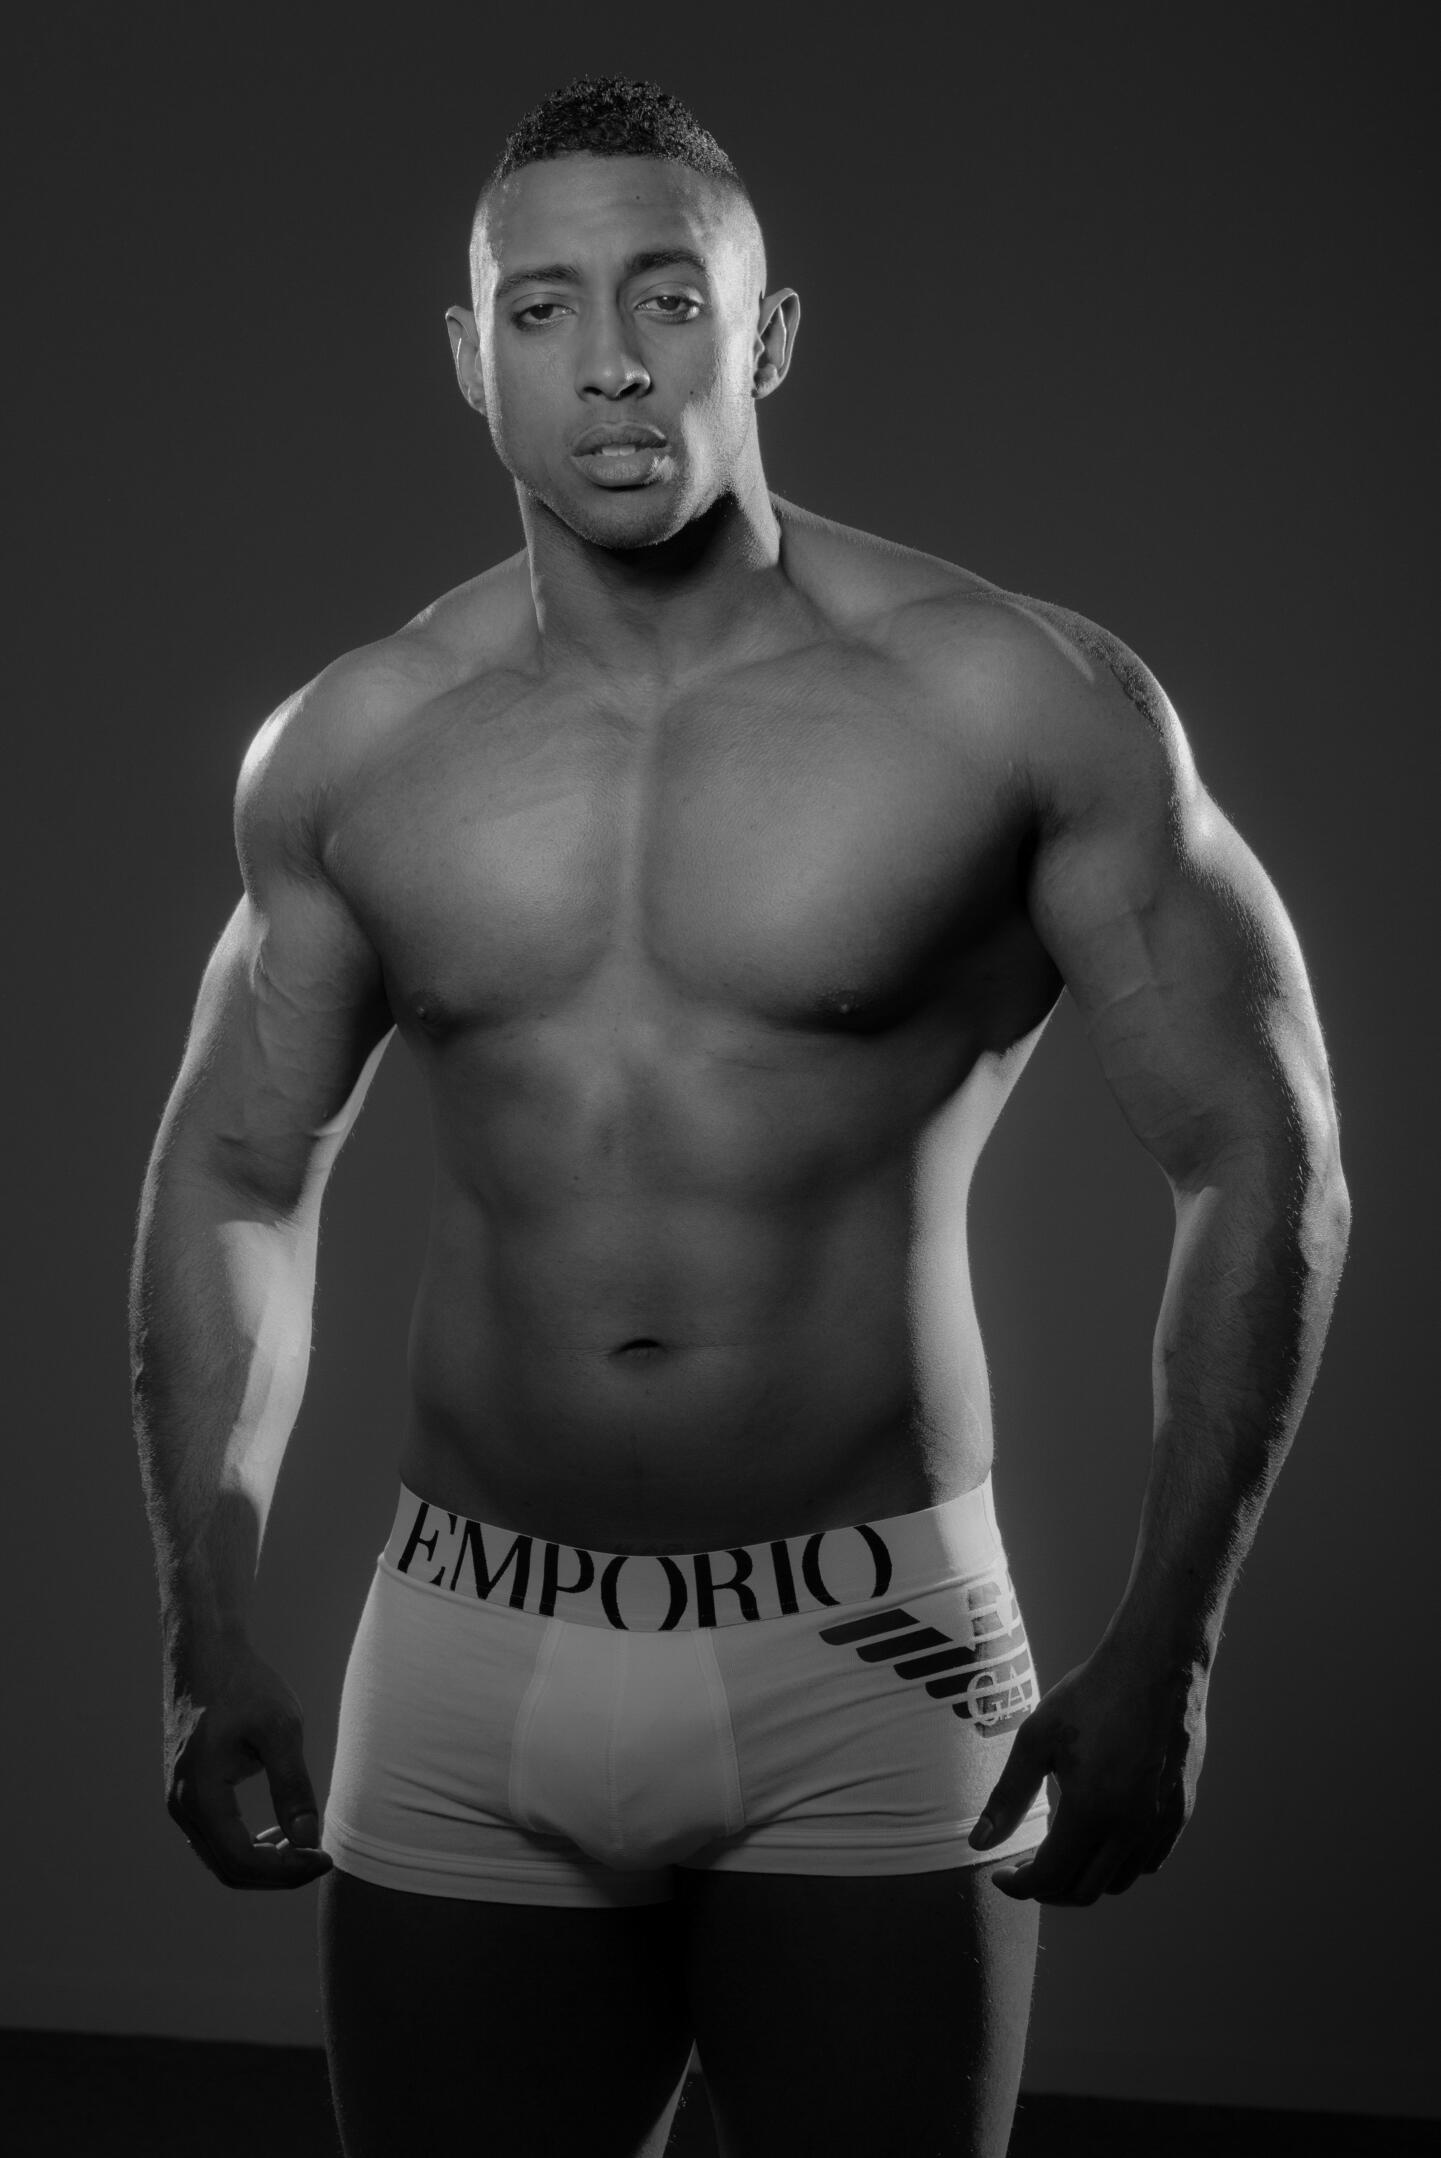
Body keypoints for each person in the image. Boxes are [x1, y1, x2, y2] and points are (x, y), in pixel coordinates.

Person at [129, 71, 1351, 2158]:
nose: (609, 360)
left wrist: (1174, 1632)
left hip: (868, 1650)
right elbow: (234, 1168)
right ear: (470, 357)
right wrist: (204, 1615)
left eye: (667, 296)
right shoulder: (357, 745)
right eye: (542, 308)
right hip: (468, 1642)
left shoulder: (1010, 701)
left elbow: (1262, 1148)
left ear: (763, 334)